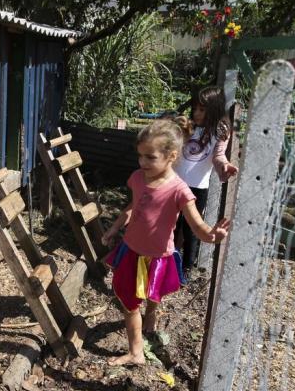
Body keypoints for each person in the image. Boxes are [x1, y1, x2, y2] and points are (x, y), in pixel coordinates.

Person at [101, 119, 231, 366]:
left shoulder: (179, 190)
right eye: (140, 156)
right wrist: (115, 228)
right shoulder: (138, 178)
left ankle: (151, 313)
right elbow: (132, 207)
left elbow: (196, 225)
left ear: (172, 156)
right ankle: (136, 352)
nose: (142, 163)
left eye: (150, 157)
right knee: (129, 302)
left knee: (153, 291)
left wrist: (211, 236)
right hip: (131, 250)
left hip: (159, 255)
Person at [174, 86, 239, 279]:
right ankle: (165, 262)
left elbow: (218, 155)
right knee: (172, 225)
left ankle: (185, 269)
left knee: (191, 229)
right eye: (195, 108)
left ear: (213, 109)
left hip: (196, 188)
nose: (196, 113)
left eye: (202, 109)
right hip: (174, 184)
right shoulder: (188, 126)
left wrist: (224, 165)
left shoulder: (219, 131)